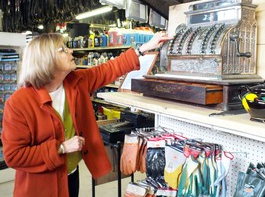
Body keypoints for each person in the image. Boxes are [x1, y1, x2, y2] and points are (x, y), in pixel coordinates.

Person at [2, 32, 172, 197]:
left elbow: (109, 69)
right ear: (46, 61)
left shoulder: (76, 82)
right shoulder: (19, 103)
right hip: (39, 187)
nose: (71, 51)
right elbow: (14, 156)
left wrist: (144, 48)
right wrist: (61, 148)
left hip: (71, 176)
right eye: (62, 50)